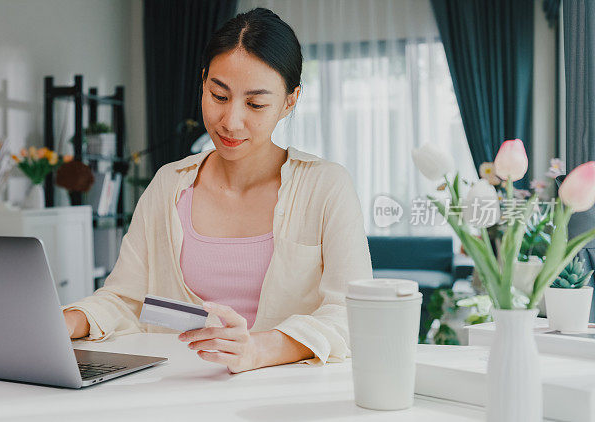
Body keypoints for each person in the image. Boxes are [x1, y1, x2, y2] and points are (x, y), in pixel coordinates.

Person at [62, 7, 372, 374]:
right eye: (219, 96)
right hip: (175, 389)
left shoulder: (326, 186)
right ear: (203, 81)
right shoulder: (169, 185)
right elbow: (126, 299)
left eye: (255, 104)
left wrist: (258, 350)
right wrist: (64, 322)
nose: (231, 121)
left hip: (284, 396)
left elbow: (352, 313)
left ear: (290, 100)